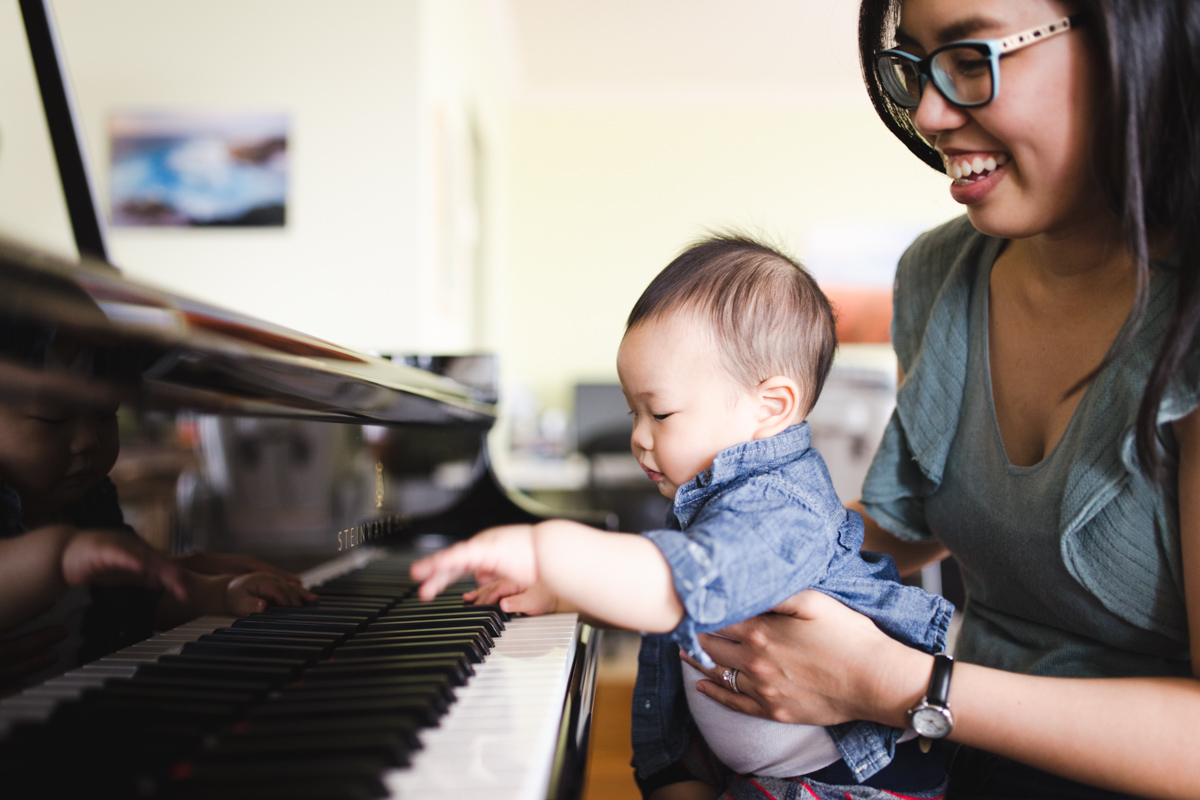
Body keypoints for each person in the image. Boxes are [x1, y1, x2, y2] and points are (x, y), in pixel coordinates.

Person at [668, 2, 1200, 799]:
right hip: (949, 757)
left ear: (1136, 42)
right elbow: (902, 524)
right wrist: (720, 555)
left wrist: (895, 684)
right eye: (914, 65)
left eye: (968, 54)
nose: (927, 112)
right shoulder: (939, 274)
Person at [412, 237, 954, 800]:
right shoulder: (715, 495)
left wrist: (545, 549)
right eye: (633, 412)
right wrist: (568, 591)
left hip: (844, 788)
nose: (638, 438)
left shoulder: (783, 505)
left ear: (770, 407)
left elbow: (684, 583)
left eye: (661, 412)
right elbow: (657, 600)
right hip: (754, 772)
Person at [0, 359, 316, 693]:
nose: (88, 440)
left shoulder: (87, 501)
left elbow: (137, 597)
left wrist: (219, 592)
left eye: (106, 415)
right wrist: (64, 555)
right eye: (54, 417)